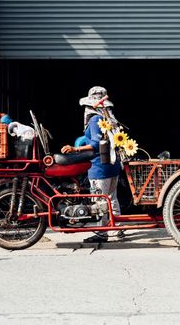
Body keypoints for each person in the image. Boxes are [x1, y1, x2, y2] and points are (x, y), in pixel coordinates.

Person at [61, 86, 124, 243]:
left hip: (100, 167)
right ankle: (118, 230)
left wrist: (75, 148)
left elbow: (96, 144)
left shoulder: (95, 119)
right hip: (112, 165)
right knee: (112, 198)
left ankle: (101, 232)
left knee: (100, 201)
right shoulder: (107, 119)